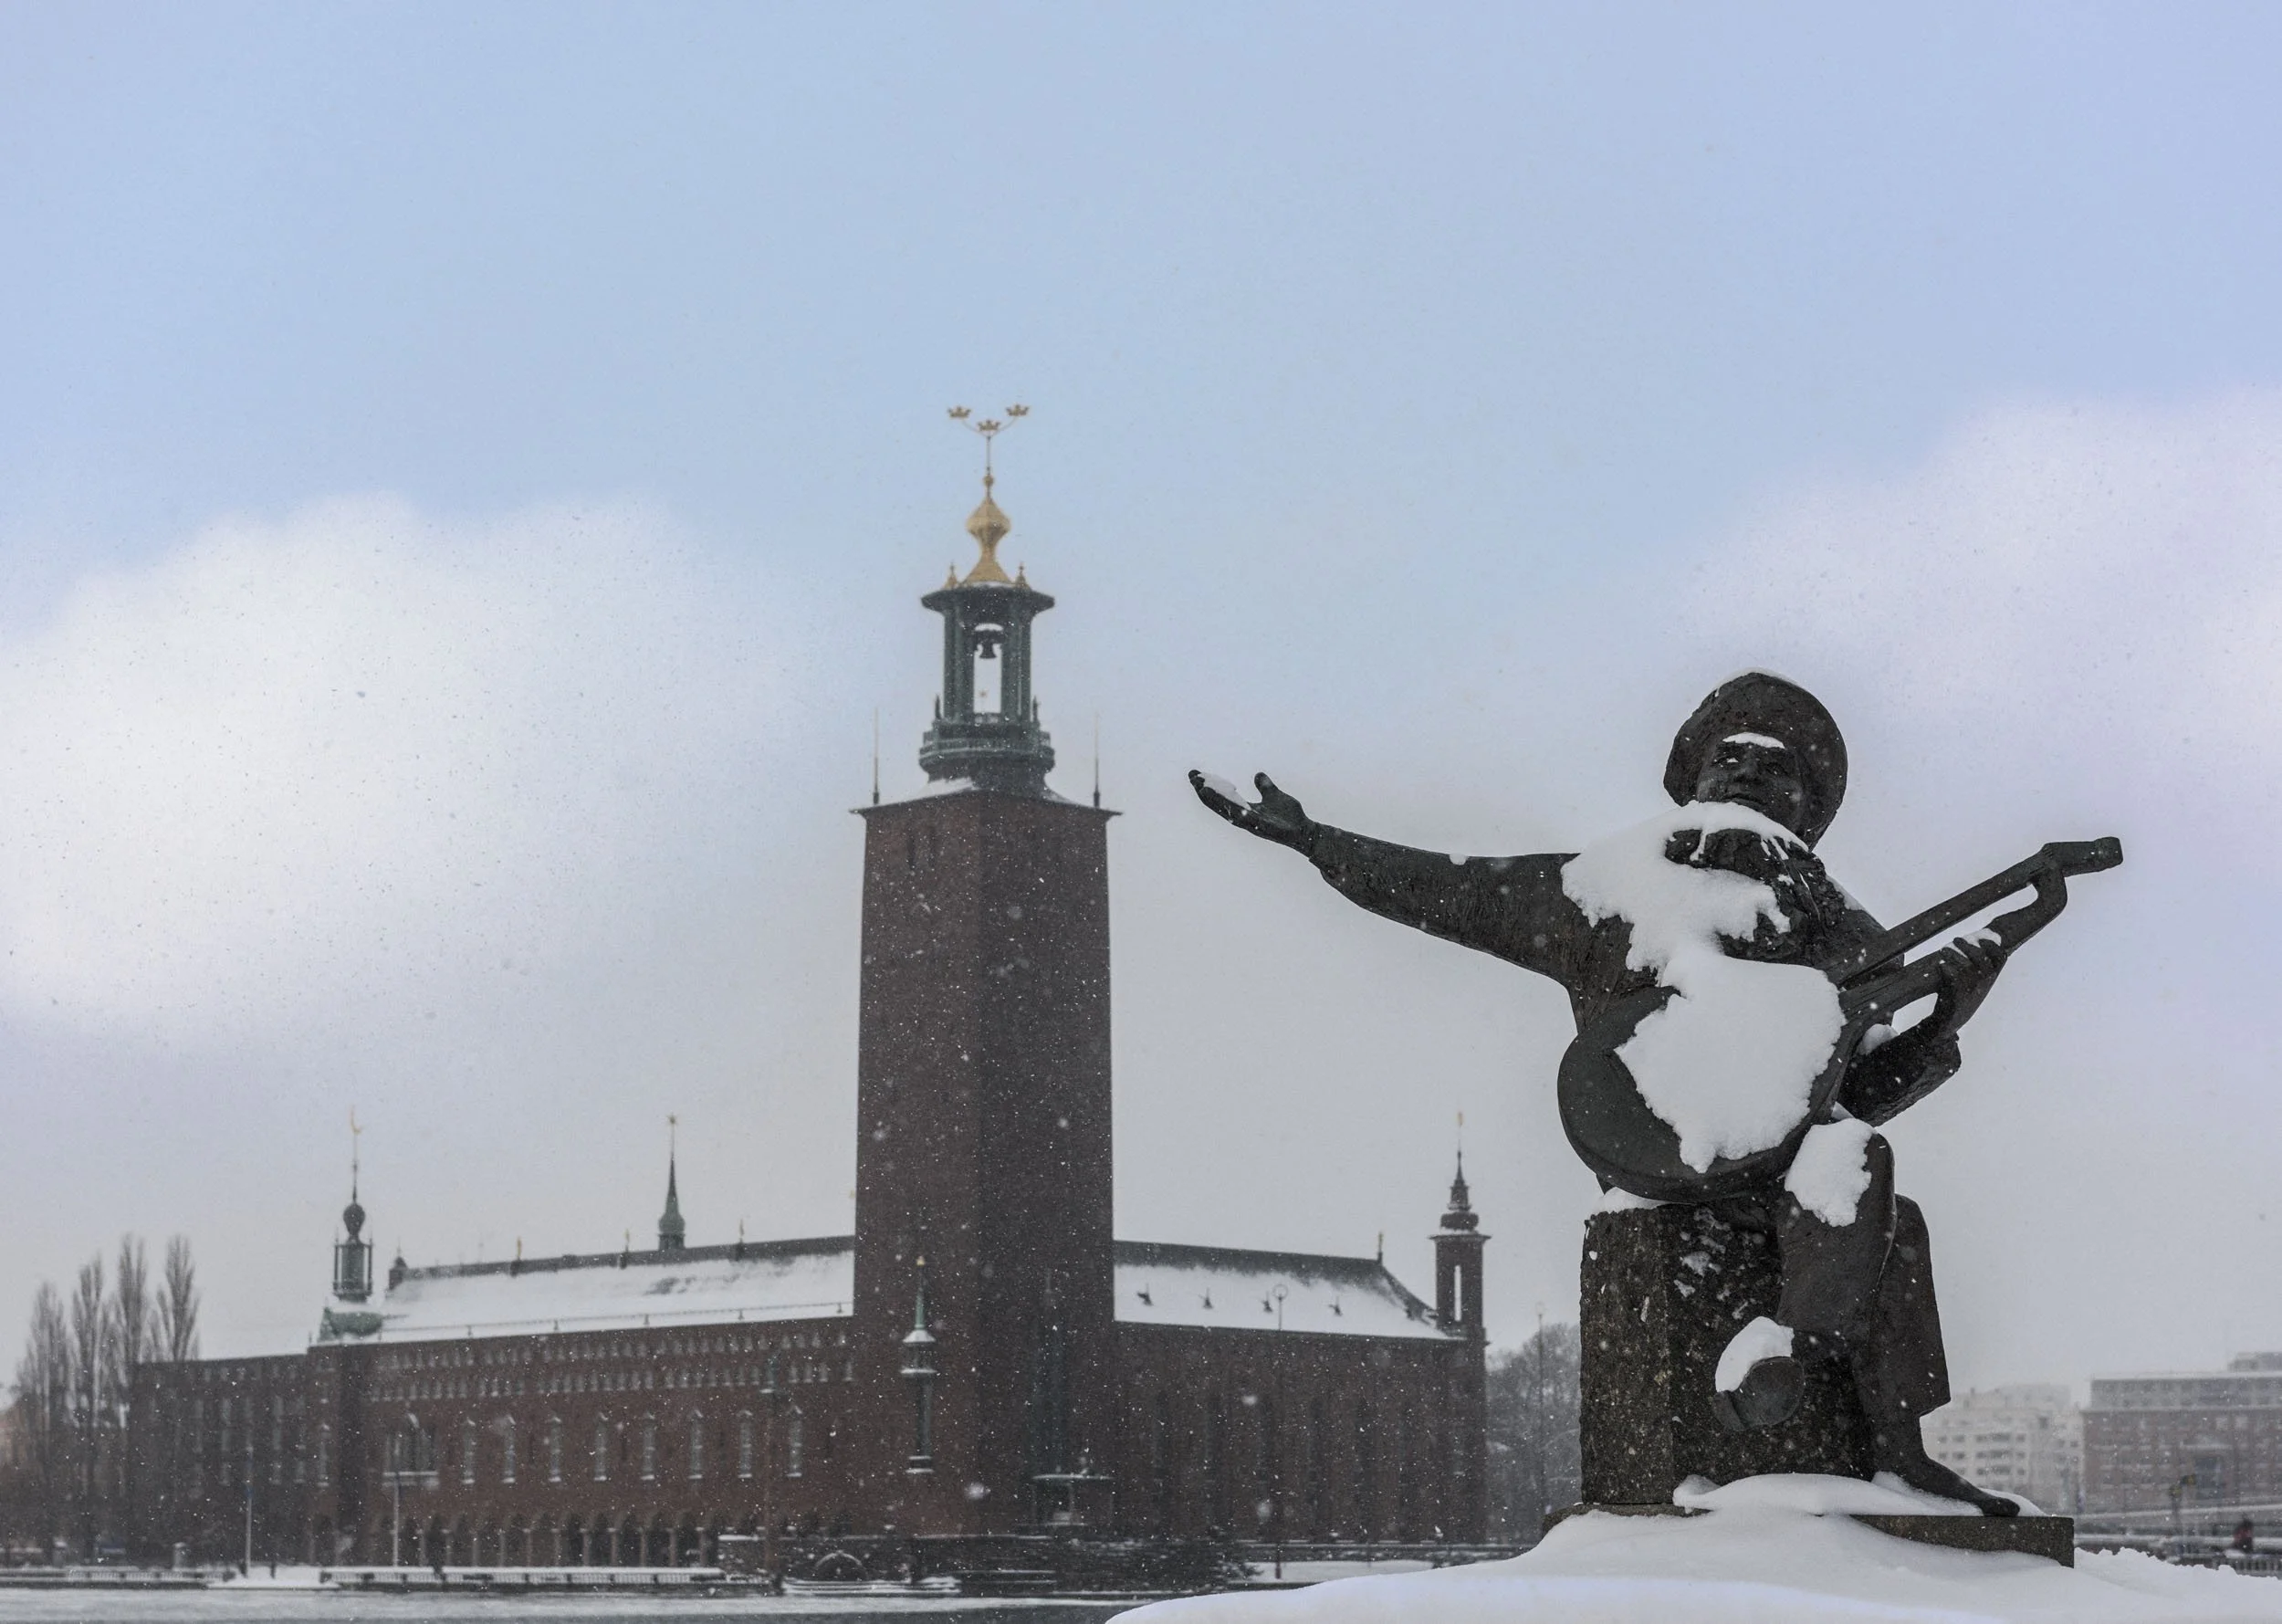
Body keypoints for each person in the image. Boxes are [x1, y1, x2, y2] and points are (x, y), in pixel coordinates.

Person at [1191, 671, 2017, 1514]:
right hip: (1649, 1149)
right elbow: (1448, 888)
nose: (1747, 774)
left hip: (1778, 1167)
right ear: (1694, 780)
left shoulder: (1837, 921)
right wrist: (1318, 841)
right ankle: (1784, 1363)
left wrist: (1947, 1017)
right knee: (1853, 1172)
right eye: (1730, 758)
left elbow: (1852, 1089)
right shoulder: (1608, 886)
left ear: (1804, 807)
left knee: (1881, 1204)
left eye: (1776, 769)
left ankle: (1890, 1448)